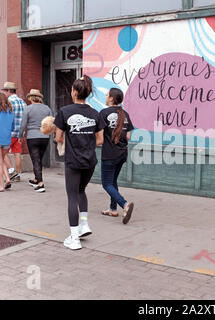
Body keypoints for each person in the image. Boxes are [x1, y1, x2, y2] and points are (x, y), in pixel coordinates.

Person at [54, 75, 105, 250]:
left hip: (73, 161)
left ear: (75, 92)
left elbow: (58, 137)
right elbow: (100, 140)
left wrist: (71, 139)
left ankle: (74, 238)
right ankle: (84, 224)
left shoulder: (65, 112)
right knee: (81, 191)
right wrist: (86, 140)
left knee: (72, 196)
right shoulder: (94, 113)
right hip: (90, 161)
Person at [99, 88, 134, 224]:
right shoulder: (124, 114)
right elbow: (128, 136)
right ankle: (113, 209)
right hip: (122, 154)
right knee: (113, 182)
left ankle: (124, 204)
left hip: (109, 154)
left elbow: (99, 134)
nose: (105, 96)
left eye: (107, 95)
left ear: (112, 98)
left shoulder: (103, 113)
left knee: (106, 184)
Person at [18, 89, 53, 193]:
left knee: (35, 160)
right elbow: (51, 121)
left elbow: (23, 124)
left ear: (30, 98)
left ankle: (41, 184)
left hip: (32, 137)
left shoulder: (28, 109)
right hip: (45, 137)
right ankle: (36, 179)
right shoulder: (47, 108)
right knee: (39, 159)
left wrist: (20, 136)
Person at [2, 82, 27, 182]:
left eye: (4, 91)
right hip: (19, 133)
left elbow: (5, 117)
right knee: (17, 153)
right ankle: (17, 174)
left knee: (2, 153)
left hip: (9, 132)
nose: (4, 93)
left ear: (8, 91)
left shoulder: (8, 102)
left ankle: (11, 172)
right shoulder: (22, 102)